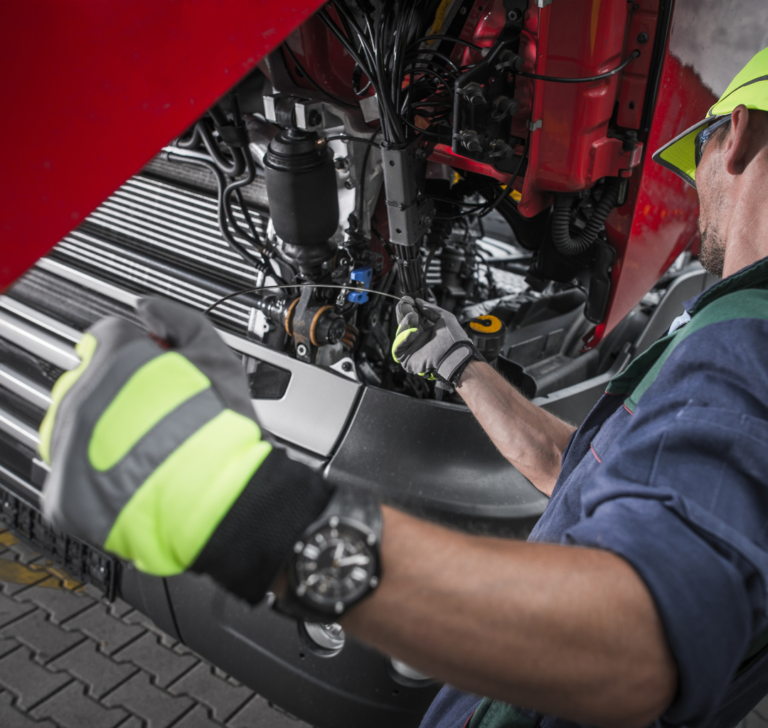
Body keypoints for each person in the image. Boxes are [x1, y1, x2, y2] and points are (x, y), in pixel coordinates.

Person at [39, 49, 768, 728]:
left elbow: (637, 642)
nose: (691, 185)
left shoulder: (740, 346)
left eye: (696, 149)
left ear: (733, 136)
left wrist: (236, 508)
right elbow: (568, 464)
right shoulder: (731, 337)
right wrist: (456, 362)